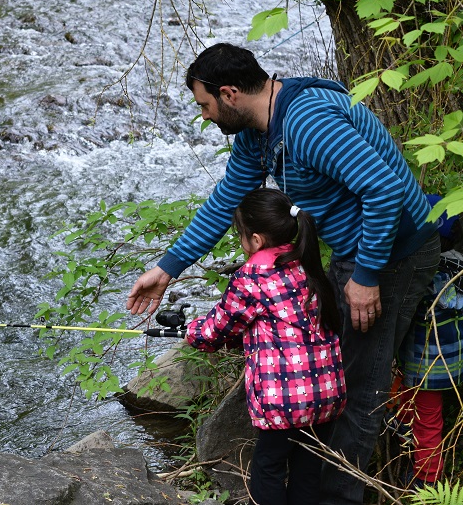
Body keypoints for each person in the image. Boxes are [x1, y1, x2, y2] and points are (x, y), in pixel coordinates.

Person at [126, 43, 441, 505]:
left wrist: (368, 276)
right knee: (336, 378)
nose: (206, 116)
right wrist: (166, 269)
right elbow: (227, 200)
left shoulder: (307, 122)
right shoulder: (260, 131)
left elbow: (383, 190)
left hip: (394, 253)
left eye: (205, 105)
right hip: (358, 253)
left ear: (229, 93)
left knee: (356, 390)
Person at [186, 188, 346, 505]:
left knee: (267, 469)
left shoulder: (251, 277)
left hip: (285, 401)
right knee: (307, 469)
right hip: (327, 393)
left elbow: (212, 333)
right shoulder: (306, 263)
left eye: (241, 236)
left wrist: (189, 329)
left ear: (256, 240)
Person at [389, 197, 463, 488]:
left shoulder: (427, 278)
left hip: (427, 367)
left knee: (427, 421)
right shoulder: (457, 274)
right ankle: (414, 452)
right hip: (448, 365)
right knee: (421, 413)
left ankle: (428, 481)